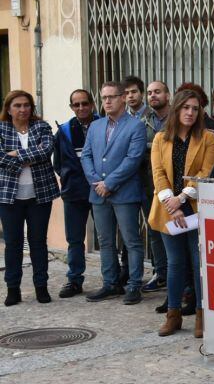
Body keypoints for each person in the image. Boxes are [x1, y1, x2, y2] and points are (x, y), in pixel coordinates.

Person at [148, 89, 214, 337]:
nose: (190, 112)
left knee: (199, 264)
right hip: (168, 209)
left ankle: (202, 315)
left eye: (195, 108)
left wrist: (182, 198)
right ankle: (173, 314)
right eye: (185, 107)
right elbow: (158, 174)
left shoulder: (208, 137)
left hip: (196, 207)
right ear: (176, 108)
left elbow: (206, 173)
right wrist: (171, 203)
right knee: (175, 264)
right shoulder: (160, 138)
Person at [81, 81, 147, 305]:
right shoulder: (95, 126)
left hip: (124, 193)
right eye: (104, 97)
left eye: (112, 97)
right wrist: (95, 181)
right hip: (98, 193)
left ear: (122, 98)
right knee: (105, 241)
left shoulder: (135, 126)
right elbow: (86, 155)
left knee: (131, 241)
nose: (107, 101)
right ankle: (110, 283)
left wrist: (109, 183)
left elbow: (133, 159)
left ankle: (134, 285)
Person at [0, 90, 58, 306]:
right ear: (8, 109)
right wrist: (26, 157)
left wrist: (14, 154)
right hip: (9, 197)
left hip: (39, 195)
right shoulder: (1, 128)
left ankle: (41, 286)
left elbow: (46, 152)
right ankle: (12, 288)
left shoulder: (41, 127)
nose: (23, 109)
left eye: (26, 105)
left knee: (38, 243)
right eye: (17, 105)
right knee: (13, 244)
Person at [53, 89, 100, 298]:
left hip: (102, 190)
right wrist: (68, 176)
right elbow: (58, 162)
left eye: (84, 103)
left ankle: (116, 277)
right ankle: (74, 280)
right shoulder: (64, 130)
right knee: (74, 239)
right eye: (76, 104)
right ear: (72, 107)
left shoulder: (104, 125)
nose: (81, 108)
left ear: (92, 104)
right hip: (74, 192)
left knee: (109, 238)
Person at [140, 80, 172, 295]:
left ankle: (176, 274)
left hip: (173, 186)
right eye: (150, 93)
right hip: (149, 182)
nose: (153, 96)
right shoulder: (142, 120)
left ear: (167, 95)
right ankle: (160, 273)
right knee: (154, 230)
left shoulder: (177, 118)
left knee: (174, 231)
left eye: (157, 92)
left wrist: (152, 148)